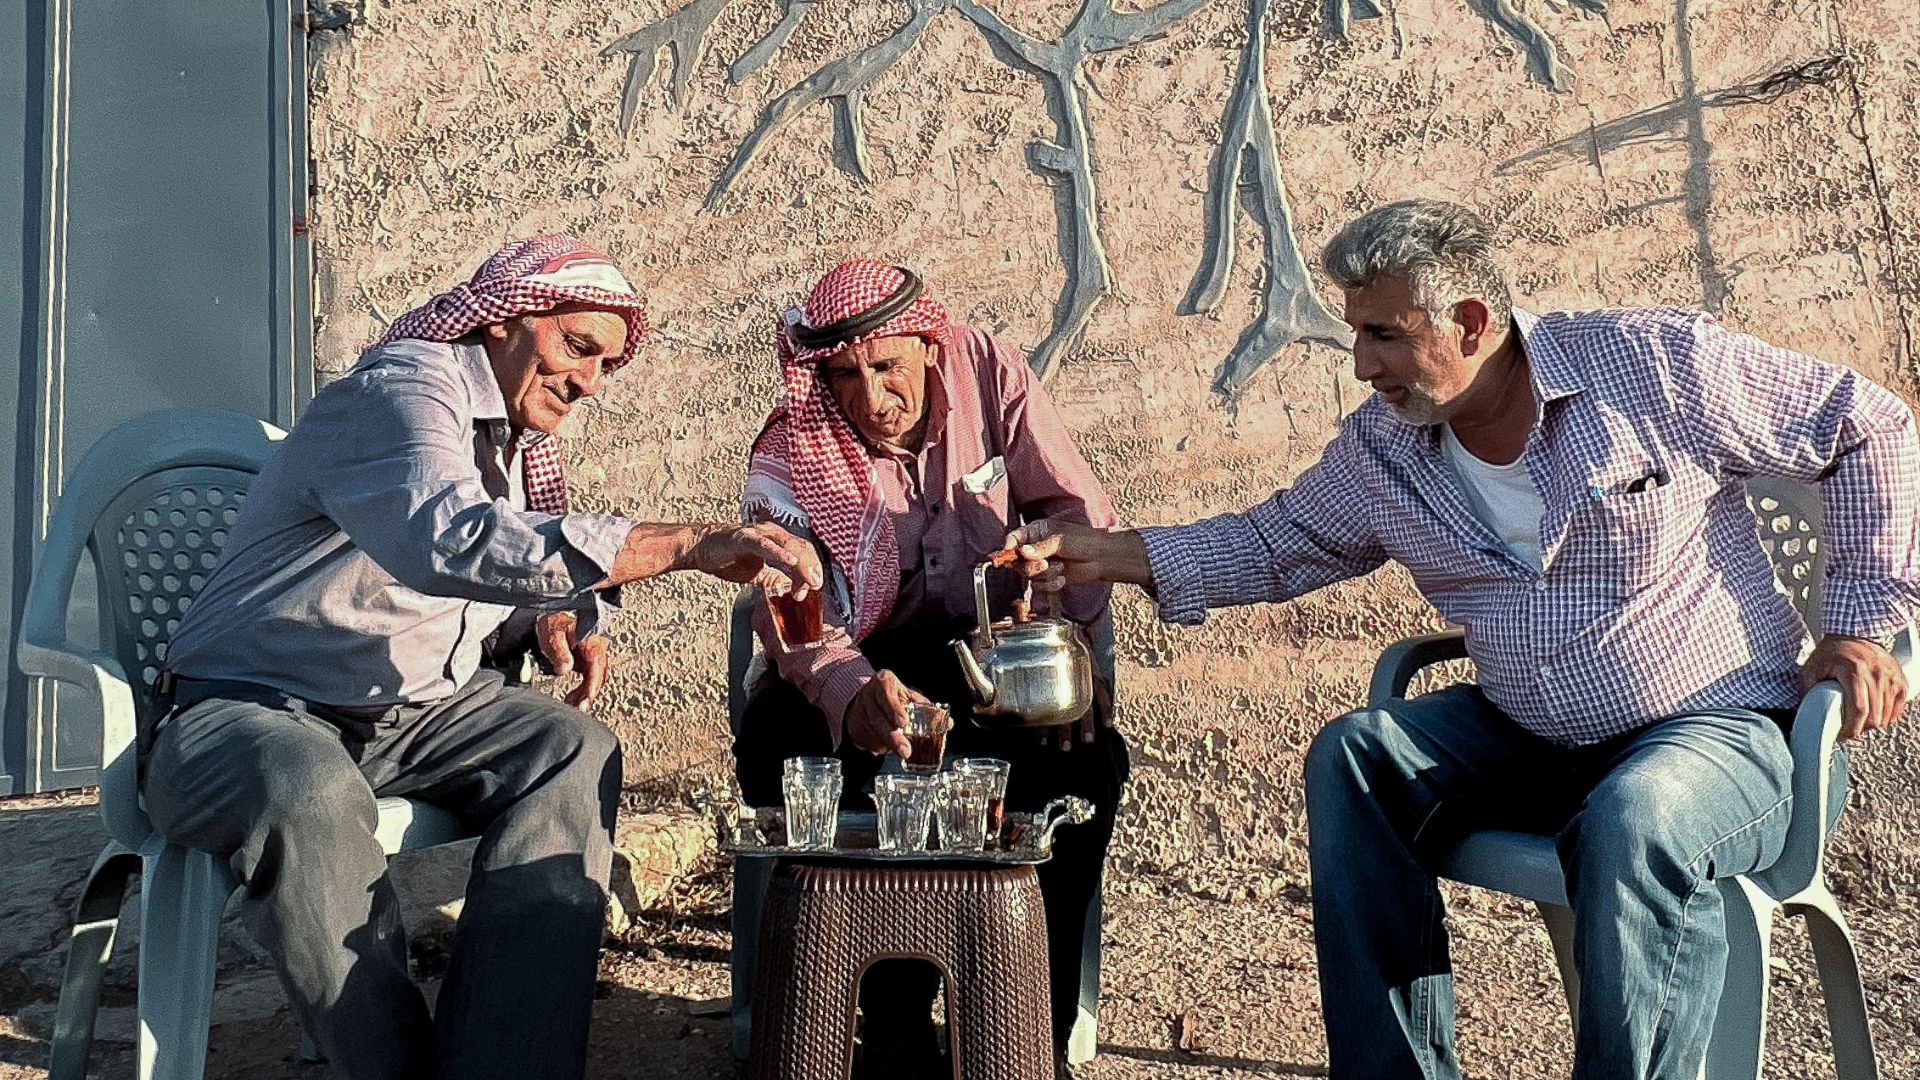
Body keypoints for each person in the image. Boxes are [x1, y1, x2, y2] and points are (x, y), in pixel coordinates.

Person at [1005, 200, 1919, 1080]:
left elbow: (1867, 425)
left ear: (1473, 321)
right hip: (1529, 738)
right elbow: (1275, 541)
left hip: (1718, 734)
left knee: (1637, 817)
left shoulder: (1655, 364)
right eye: (1358, 335)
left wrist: (1860, 623)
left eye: (1385, 335)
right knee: (1355, 758)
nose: (1362, 365)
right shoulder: (1385, 453)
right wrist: (1105, 556)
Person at [149, 236, 822, 1080]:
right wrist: (685, 542)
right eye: (578, 348)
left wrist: (546, 621)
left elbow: (465, 585)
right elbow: (448, 538)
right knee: (306, 787)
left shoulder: (510, 442)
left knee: (573, 749)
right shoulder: (401, 389)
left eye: (606, 365)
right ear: (504, 319)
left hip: (413, 716)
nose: (589, 383)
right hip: (245, 711)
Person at [732, 259, 1128, 1073]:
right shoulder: (791, 447)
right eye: (842, 376)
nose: (869, 400)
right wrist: (851, 691)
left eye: (886, 368)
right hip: (852, 661)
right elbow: (793, 613)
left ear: (928, 347)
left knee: (1083, 759)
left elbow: (1074, 514)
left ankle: (1026, 1032)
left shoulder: (991, 374)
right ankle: (893, 1022)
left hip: (983, 654)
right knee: (786, 744)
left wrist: (1078, 657)